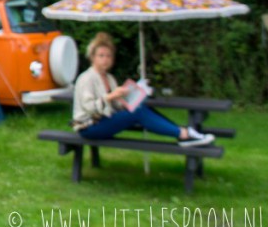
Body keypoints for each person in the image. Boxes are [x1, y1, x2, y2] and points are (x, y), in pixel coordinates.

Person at [72, 32, 214, 147]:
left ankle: (183, 133)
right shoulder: (87, 78)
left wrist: (132, 95)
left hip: (105, 121)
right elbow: (89, 108)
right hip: (89, 127)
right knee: (138, 112)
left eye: (109, 56)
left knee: (140, 106)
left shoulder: (109, 78)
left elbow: (117, 106)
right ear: (92, 58)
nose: (105, 60)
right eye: (101, 56)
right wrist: (111, 96)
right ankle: (184, 134)